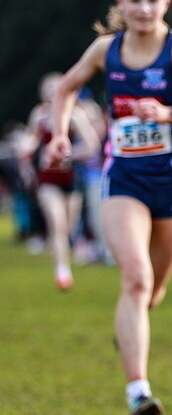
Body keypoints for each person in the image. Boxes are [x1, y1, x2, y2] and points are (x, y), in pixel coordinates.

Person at [45, 0, 172, 415]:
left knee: (154, 291)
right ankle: (138, 392)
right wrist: (61, 134)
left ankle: (130, 331)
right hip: (123, 177)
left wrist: (169, 114)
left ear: (165, 3)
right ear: (120, 4)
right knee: (136, 279)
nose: (144, 7)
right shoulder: (106, 50)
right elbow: (65, 88)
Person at [28, 73, 100, 289]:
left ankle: (67, 252)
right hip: (47, 179)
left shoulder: (75, 115)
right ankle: (62, 271)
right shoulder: (39, 115)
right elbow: (32, 141)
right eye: (48, 88)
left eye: (55, 87)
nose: (52, 92)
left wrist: (70, 154)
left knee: (67, 227)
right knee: (57, 223)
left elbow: (92, 145)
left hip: (72, 178)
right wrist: (28, 149)